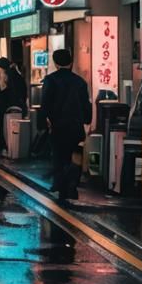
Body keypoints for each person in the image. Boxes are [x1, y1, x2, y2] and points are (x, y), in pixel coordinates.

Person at [39, 49, 93, 201]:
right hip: (76, 127)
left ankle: (60, 183)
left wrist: (43, 122)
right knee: (75, 156)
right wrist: (87, 120)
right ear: (71, 62)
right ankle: (72, 182)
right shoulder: (80, 82)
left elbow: (45, 104)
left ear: (55, 63)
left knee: (59, 156)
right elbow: (86, 105)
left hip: (58, 127)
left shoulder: (51, 80)